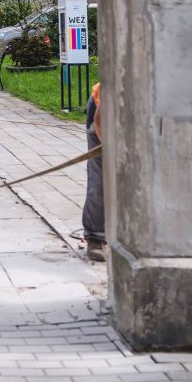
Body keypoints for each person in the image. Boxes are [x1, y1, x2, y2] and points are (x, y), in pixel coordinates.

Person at [82, 81, 106, 262]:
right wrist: (106, 145)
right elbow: (99, 120)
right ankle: (95, 238)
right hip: (100, 110)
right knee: (100, 177)